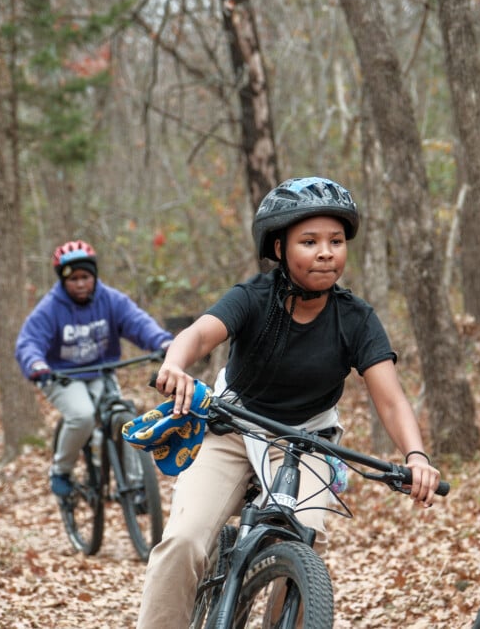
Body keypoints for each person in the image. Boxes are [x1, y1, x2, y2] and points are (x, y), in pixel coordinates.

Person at [133, 176, 442, 629]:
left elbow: (391, 399)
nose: (325, 252)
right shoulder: (252, 297)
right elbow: (199, 333)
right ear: (279, 248)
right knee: (183, 541)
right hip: (232, 427)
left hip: (308, 440)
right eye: (310, 241)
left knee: (302, 544)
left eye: (336, 241)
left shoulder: (356, 319)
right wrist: (176, 365)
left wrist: (416, 456)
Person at [15, 240, 175, 497]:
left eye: (86, 277)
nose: (80, 283)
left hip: (101, 370)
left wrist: (163, 342)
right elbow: (29, 341)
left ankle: (135, 485)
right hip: (62, 375)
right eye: (73, 278)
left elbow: (137, 322)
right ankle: (61, 470)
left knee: (123, 417)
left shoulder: (110, 300)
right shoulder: (50, 308)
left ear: (94, 276)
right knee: (83, 416)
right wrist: (36, 363)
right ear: (63, 281)